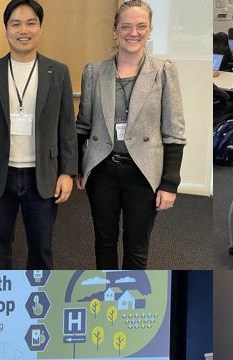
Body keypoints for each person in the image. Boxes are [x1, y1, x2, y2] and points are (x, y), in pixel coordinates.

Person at [0, 0, 77, 269]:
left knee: (41, 245)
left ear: (40, 28)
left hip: (42, 175)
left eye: (31, 23)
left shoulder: (58, 72)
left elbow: (66, 127)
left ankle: (38, 301)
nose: (23, 30)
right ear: (6, 29)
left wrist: (67, 172)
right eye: (15, 23)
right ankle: (0, 299)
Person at [75, 0, 184, 270]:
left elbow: (174, 131)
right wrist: (78, 168)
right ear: (115, 30)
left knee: (137, 245)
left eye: (140, 26)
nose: (133, 33)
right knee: (104, 241)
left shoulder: (163, 71)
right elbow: (83, 125)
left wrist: (170, 183)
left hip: (143, 172)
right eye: (125, 26)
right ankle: (108, 298)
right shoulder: (93, 71)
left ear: (150, 30)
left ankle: (128, 306)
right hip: (101, 170)